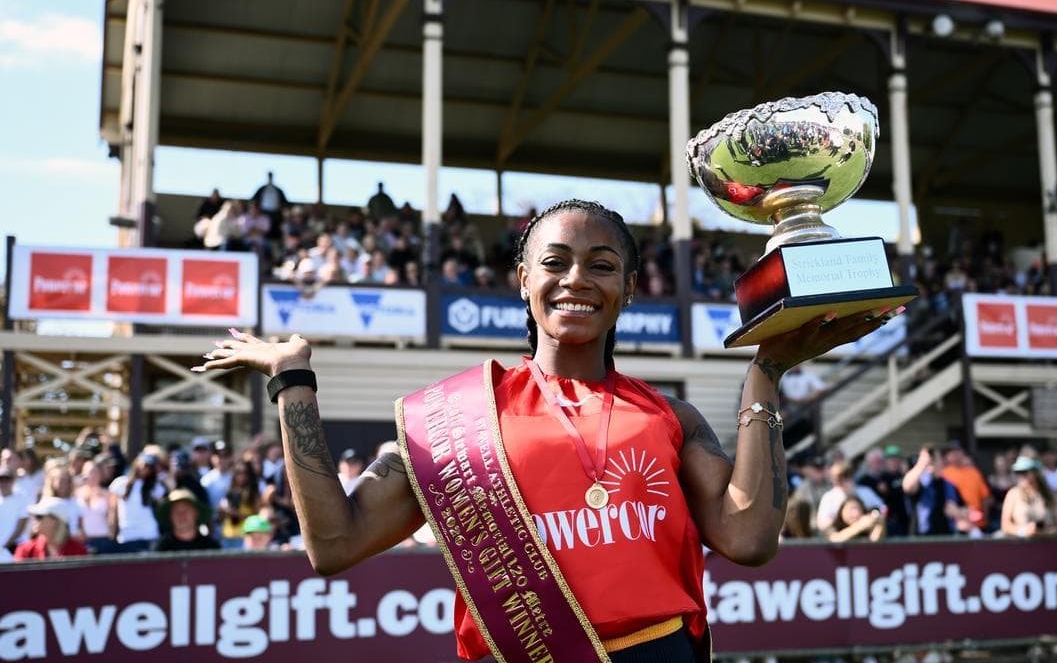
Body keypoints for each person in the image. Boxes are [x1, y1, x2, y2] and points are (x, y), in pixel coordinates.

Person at [194, 198, 895, 662]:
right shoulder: (452, 420)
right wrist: (293, 384)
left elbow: (749, 538)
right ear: (523, 280)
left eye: (602, 266)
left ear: (627, 288)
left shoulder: (670, 416)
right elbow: (334, 543)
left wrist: (765, 374)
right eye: (555, 263)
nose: (576, 279)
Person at [903, 447, 969, 536]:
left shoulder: (949, 485)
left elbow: (966, 510)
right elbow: (907, 487)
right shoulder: (920, 482)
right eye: (931, 459)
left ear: (942, 461)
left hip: (945, 536)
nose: (932, 462)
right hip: (921, 538)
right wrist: (921, 463)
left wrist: (957, 511)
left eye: (935, 459)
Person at [108, 453, 166, 553]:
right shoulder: (120, 483)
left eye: (149, 467)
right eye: (144, 464)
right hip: (127, 535)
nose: (145, 469)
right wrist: (112, 532)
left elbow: (162, 508)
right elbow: (113, 510)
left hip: (149, 533)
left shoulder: (155, 487)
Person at [1000, 456, 1057, 538]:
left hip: (1049, 543)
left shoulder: (1051, 494)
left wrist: (1045, 533)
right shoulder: (1013, 494)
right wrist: (1023, 531)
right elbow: (1005, 526)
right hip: (1022, 543)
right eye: (1018, 473)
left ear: (1036, 473)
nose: (1021, 476)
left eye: (1025, 472)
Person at [14, 498, 89, 561]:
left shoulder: (78, 551)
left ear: (55, 521)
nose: (34, 519)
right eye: (34, 516)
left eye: (39, 516)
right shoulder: (25, 551)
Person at [152, 488, 220, 552]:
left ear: (196, 513)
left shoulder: (211, 548)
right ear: (170, 516)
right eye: (176, 511)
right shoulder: (160, 549)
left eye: (186, 510)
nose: (181, 515)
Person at [251, 171, 288, 237]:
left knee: (275, 229)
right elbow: (254, 199)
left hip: (276, 213)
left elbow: (284, 202)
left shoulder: (278, 189)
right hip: (264, 212)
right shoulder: (262, 189)